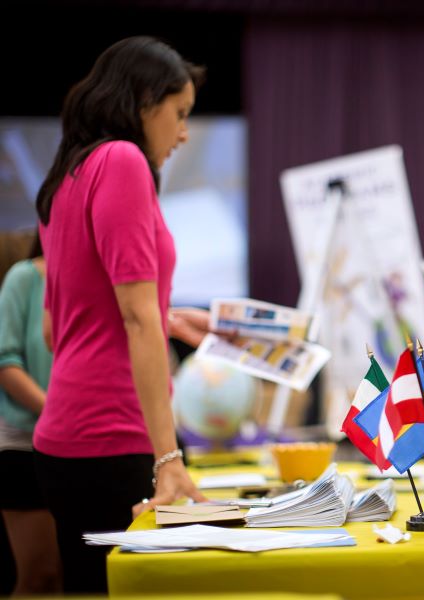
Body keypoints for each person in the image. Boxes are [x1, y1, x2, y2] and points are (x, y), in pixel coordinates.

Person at [34, 36, 206, 594]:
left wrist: (165, 318)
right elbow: (134, 320)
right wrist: (168, 456)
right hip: (113, 438)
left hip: (65, 437)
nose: (183, 134)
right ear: (142, 102)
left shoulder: (67, 175)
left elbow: (57, 329)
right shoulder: (123, 160)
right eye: (178, 115)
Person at [0, 234, 62, 594]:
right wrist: (57, 412)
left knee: (73, 576)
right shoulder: (24, 278)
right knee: (40, 575)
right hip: (25, 445)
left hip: (77, 448)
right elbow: (6, 362)